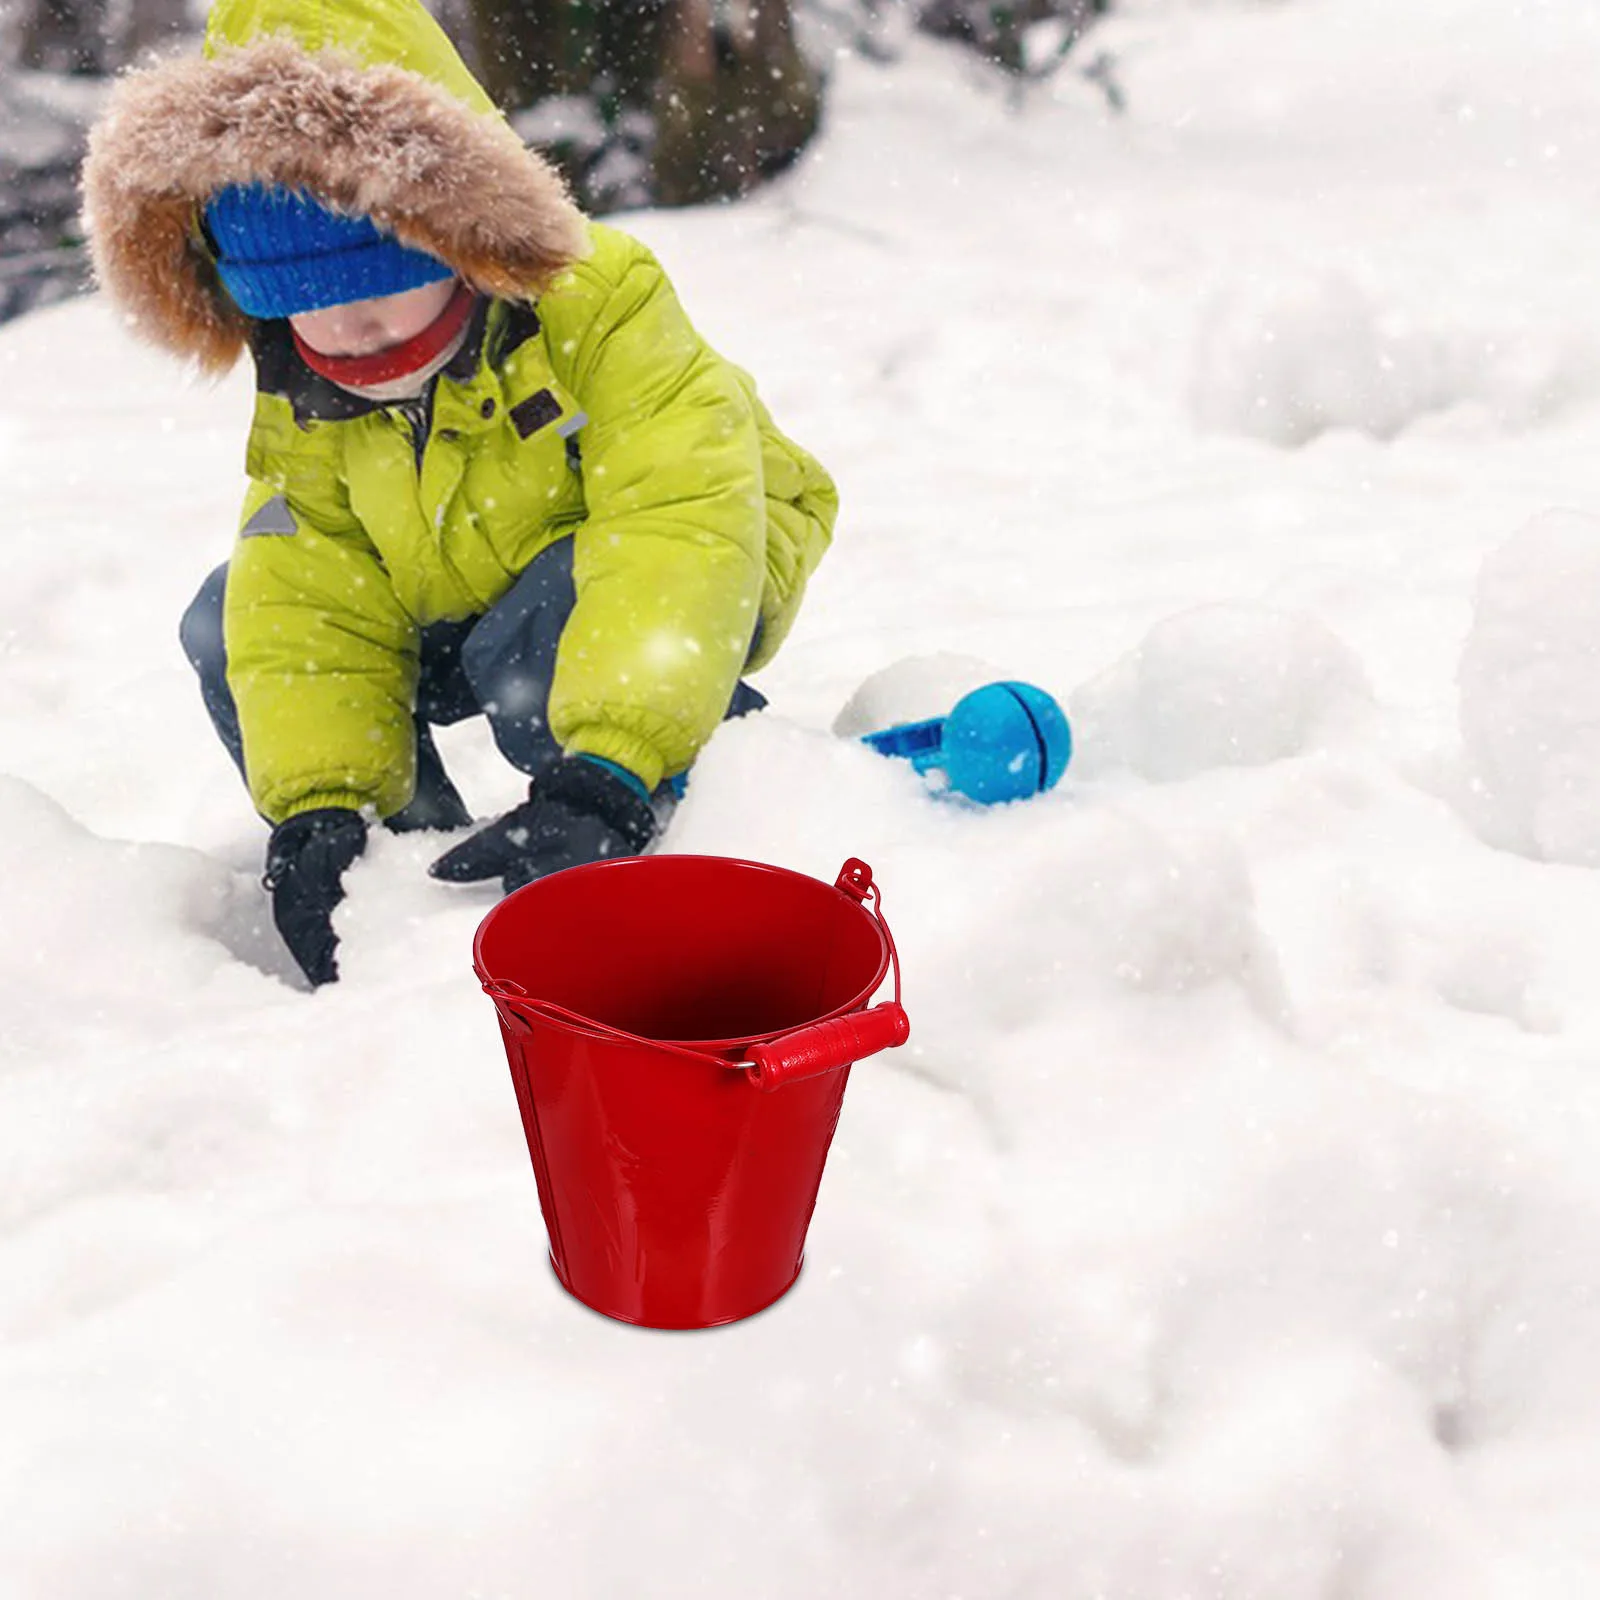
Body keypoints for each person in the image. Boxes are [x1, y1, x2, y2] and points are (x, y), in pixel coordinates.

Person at [80, 0, 837, 987]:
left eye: (370, 281)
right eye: (298, 302)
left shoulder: (598, 301)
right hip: (458, 573)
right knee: (233, 617)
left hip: (695, 543)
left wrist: (606, 765)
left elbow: (673, 521)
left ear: (456, 234)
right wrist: (321, 804)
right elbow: (308, 583)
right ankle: (412, 878)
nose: (343, 330)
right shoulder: (308, 379)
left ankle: (657, 792)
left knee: (536, 637)